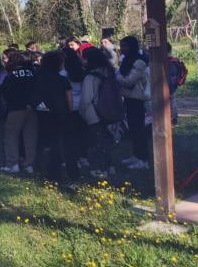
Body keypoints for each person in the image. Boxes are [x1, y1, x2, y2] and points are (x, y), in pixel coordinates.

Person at [35, 51, 73, 182]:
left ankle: (40, 169)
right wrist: (69, 112)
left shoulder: (38, 78)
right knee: (59, 144)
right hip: (60, 114)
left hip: (43, 114)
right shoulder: (62, 80)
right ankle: (58, 171)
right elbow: (69, 100)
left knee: (43, 143)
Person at [80, 47, 117, 178]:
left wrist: (83, 114)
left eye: (83, 57)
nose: (81, 59)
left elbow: (85, 99)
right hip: (110, 111)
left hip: (94, 114)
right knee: (106, 141)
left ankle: (100, 170)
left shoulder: (91, 77)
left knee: (96, 143)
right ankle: (110, 166)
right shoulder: (110, 71)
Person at [0, 52, 38, 174]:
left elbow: (5, 91)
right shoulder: (34, 73)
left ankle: (13, 164)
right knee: (30, 137)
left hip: (16, 108)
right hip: (32, 108)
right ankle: (29, 165)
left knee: (11, 136)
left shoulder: (12, 75)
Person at [118, 35, 150, 171]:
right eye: (121, 46)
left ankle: (143, 159)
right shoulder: (126, 60)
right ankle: (136, 155)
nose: (122, 49)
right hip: (128, 98)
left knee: (139, 129)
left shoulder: (139, 62)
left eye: (124, 46)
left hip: (137, 99)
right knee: (132, 128)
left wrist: (117, 77)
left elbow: (130, 81)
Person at [61, 47, 88, 176]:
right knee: (82, 133)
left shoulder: (63, 73)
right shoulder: (82, 71)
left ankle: (73, 159)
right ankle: (84, 157)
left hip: (68, 106)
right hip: (82, 106)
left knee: (69, 135)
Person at [167, 43, 186, 125]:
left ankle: (173, 119)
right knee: (172, 101)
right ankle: (173, 118)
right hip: (173, 84)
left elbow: (171, 75)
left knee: (171, 101)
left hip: (170, 85)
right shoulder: (174, 60)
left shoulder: (170, 62)